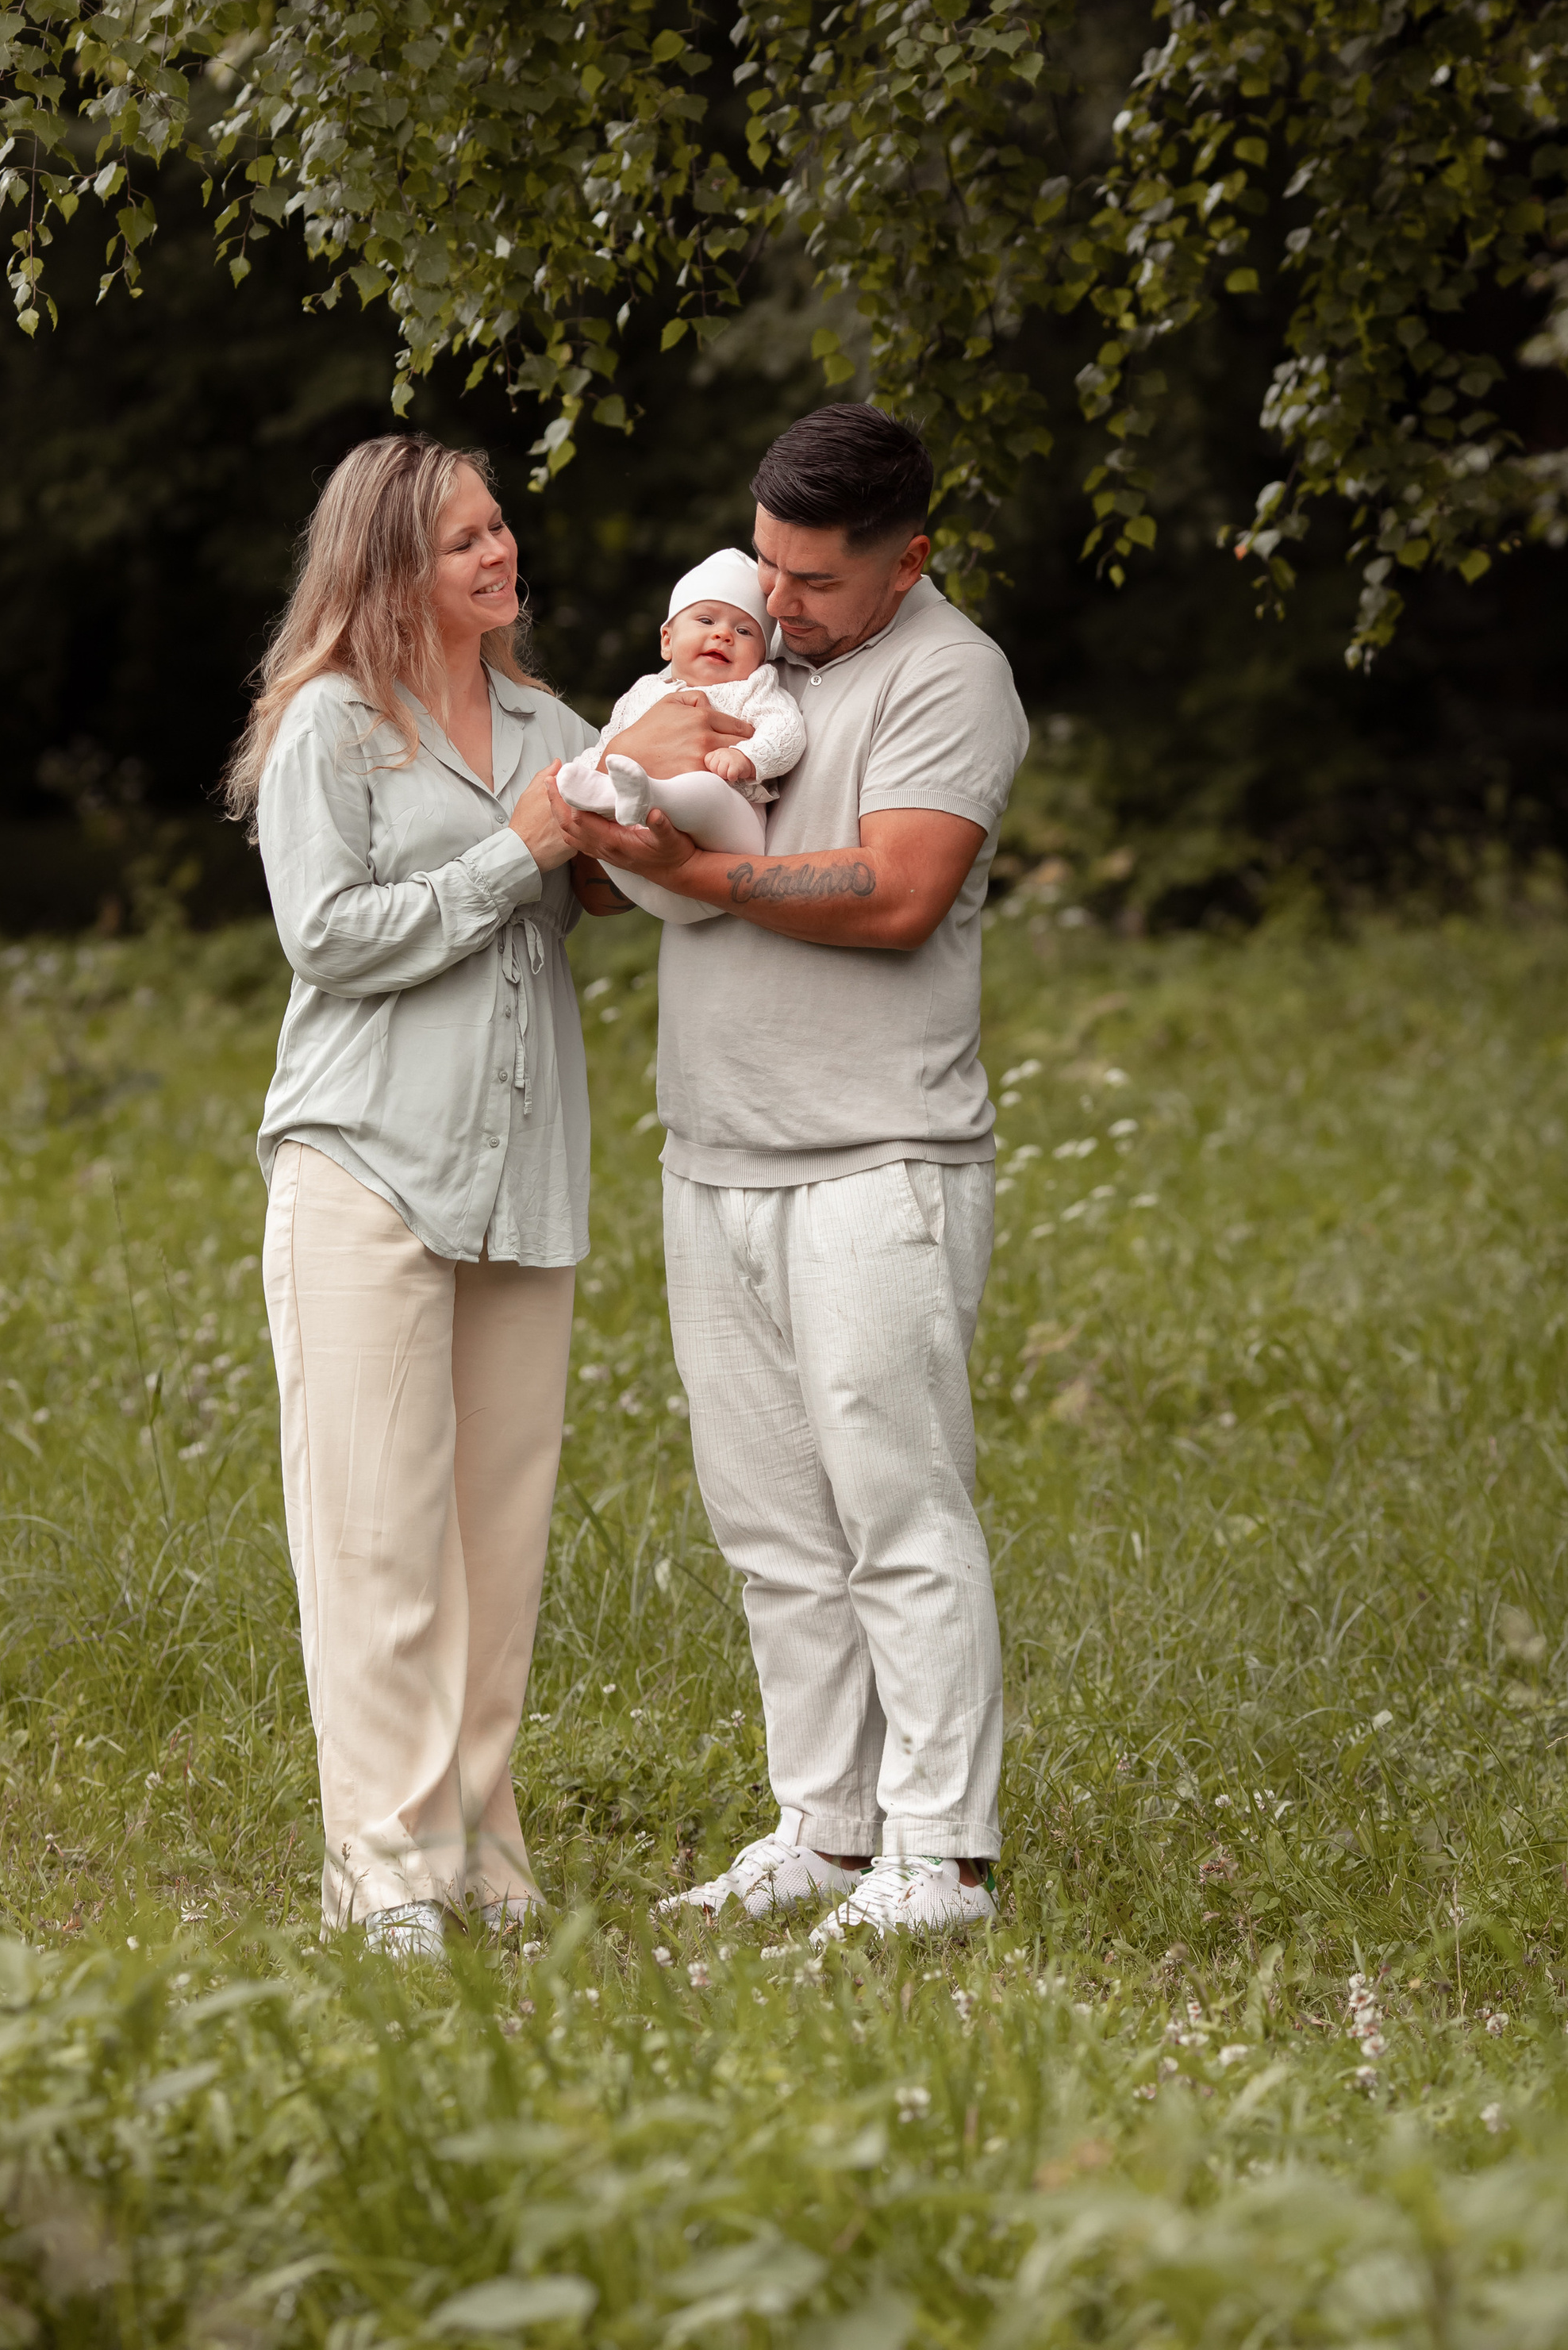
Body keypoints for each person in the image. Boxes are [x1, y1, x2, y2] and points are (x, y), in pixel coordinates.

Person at [548, 402, 1029, 1939]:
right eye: (766, 565)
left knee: (896, 1511)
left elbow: (895, 894)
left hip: (877, 1158)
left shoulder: (950, 677)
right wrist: (620, 814)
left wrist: (699, 869)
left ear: (910, 559)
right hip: (714, 1147)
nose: (779, 603)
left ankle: (940, 1856)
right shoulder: (733, 659)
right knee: (767, 1523)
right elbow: (619, 888)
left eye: (815, 582)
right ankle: (823, 1833)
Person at [223, 434, 626, 1956]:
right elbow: (325, 935)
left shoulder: (546, 721)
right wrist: (516, 859)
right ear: (390, 566)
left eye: (501, 528)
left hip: (524, 1173)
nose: (499, 553)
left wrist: (627, 842)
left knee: (494, 1538)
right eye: (463, 540)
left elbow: (627, 846)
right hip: (369, 1160)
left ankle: (481, 1845)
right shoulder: (335, 726)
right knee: (377, 1536)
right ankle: (385, 1870)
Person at [556, 548, 807, 923]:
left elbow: (787, 730)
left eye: (744, 631)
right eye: (706, 620)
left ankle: (648, 794)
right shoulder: (645, 692)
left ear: (761, 658)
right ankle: (602, 790)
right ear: (667, 641)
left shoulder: (755, 688)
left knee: (704, 789)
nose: (723, 634)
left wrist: (750, 756)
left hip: (728, 849)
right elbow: (613, 736)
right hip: (650, 876)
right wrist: (594, 763)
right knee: (603, 785)